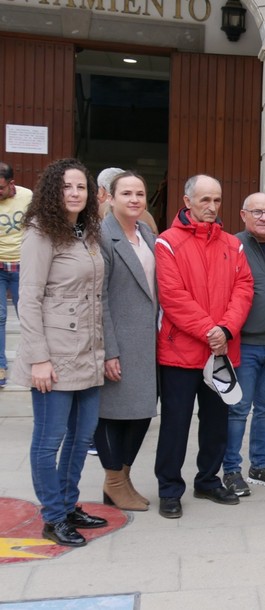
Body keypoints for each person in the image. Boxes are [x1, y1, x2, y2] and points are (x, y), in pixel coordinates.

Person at [11, 158, 107, 546]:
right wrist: (38, 358)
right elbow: (28, 298)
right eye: (67, 186)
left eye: (81, 187)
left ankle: (68, 504)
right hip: (53, 355)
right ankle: (52, 515)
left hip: (88, 352)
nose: (74, 193)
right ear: (53, 190)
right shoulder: (40, 233)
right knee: (49, 441)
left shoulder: (87, 232)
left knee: (82, 438)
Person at [154, 174, 254, 519]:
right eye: (204, 200)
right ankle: (169, 488)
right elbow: (172, 296)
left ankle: (208, 480)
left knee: (216, 423)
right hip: (180, 353)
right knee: (175, 424)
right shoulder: (166, 243)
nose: (211, 207)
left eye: (216, 200)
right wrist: (209, 329)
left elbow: (244, 288)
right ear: (187, 202)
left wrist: (225, 329)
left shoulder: (233, 244)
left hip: (222, 351)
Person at [95, 171, 159, 512]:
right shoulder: (102, 236)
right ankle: (114, 481)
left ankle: (124, 476)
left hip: (147, 342)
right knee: (111, 414)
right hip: (118, 340)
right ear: (110, 196)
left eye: (139, 193)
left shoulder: (146, 232)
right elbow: (100, 297)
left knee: (141, 413)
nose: (134, 199)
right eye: (127, 193)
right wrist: (109, 350)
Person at [222, 193, 265, 497]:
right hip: (244, 345)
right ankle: (231, 469)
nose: (264, 218)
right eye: (257, 212)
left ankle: (259, 465)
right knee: (238, 410)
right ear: (243, 214)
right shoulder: (230, 245)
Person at [0, 161, 32, 388]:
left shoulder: (27, 197)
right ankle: (1, 367)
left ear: (12, 184)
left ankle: (33, 364)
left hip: (24, 266)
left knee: (29, 317)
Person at [97, 167, 158, 234]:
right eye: (126, 194)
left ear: (101, 191)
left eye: (140, 194)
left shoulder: (97, 211)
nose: (134, 200)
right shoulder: (147, 216)